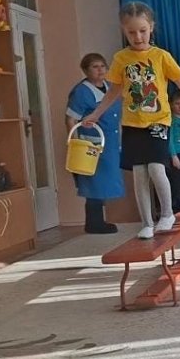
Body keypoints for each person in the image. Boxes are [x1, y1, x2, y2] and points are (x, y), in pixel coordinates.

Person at [82, 1, 180, 239]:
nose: (138, 37)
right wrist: (96, 114)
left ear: (151, 28)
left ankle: (167, 214)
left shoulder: (161, 56)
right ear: (124, 30)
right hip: (132, 124)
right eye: (131, 32)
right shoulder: (121, 58)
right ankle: (147, 223)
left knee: (157, 168)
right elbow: (114, 91)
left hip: (158, 121)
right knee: (139, 174)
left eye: (142, 31)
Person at [65, 53, 124, 234]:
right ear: (85, 70)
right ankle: (94, 222)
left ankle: (99, 220)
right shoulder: (81, 92)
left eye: (102, 66)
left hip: (110, 141)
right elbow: (71, 119)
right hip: (91, 144)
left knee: (106, 182)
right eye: (95, 67)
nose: (100, 70)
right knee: (93, 182)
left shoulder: (110, 87)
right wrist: (75, 143)